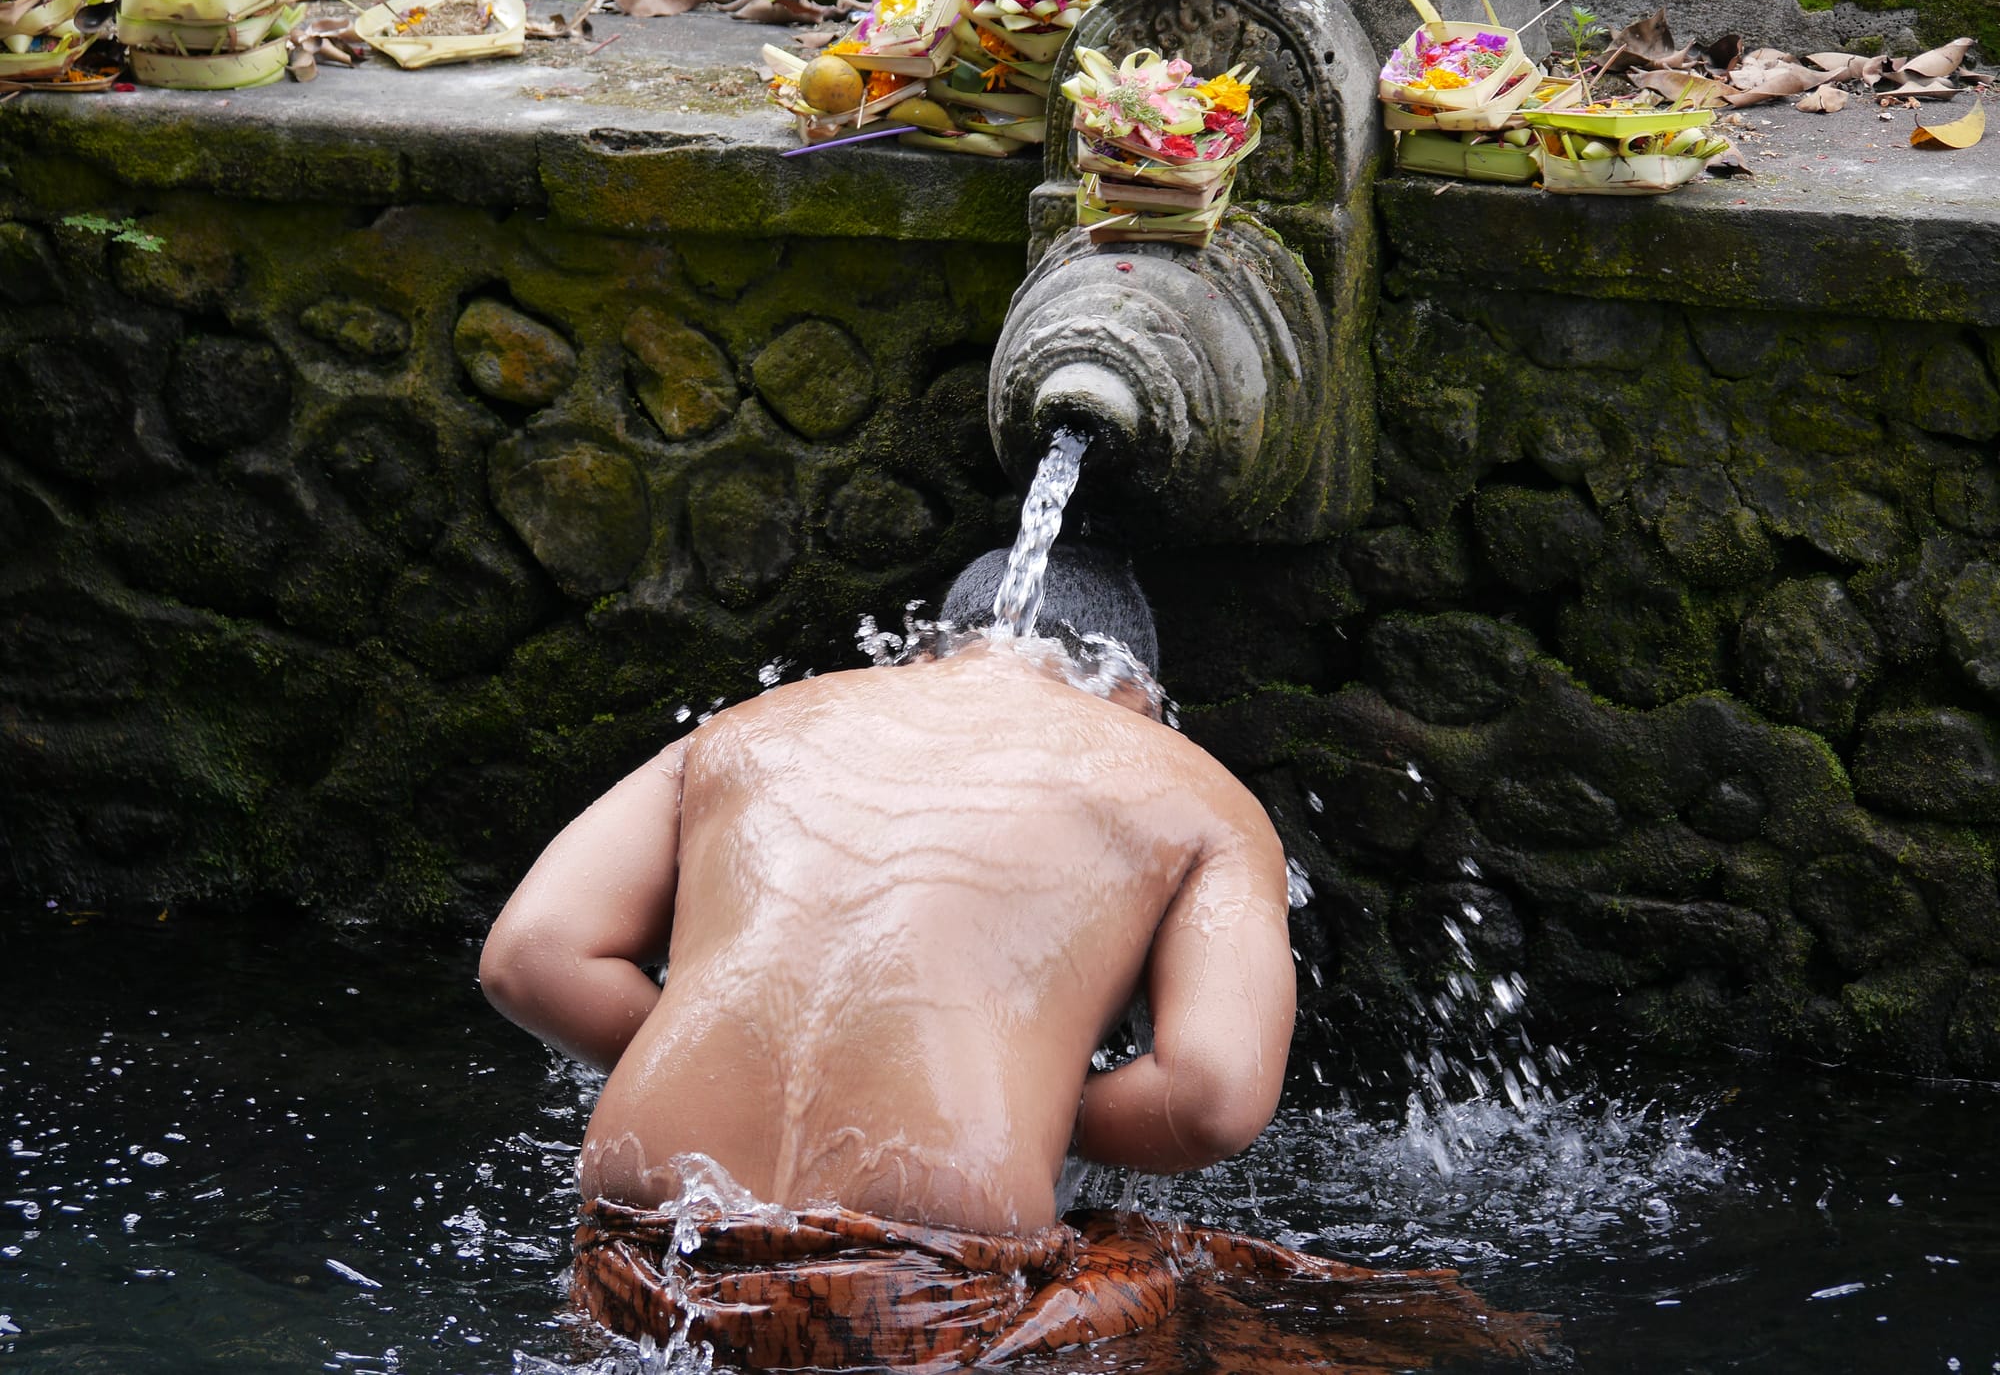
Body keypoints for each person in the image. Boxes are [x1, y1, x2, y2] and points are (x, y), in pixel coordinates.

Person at [480, 545, 1554, 1371]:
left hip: (641, 1258)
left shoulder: (748, 728)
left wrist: (710, 1042)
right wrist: (1027, 1105)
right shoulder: (1179, 782)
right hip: (922, 1297)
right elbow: (1213, 1098)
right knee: (1326, 1323)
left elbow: (529, 959)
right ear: (1136, 694)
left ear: (925, 648)